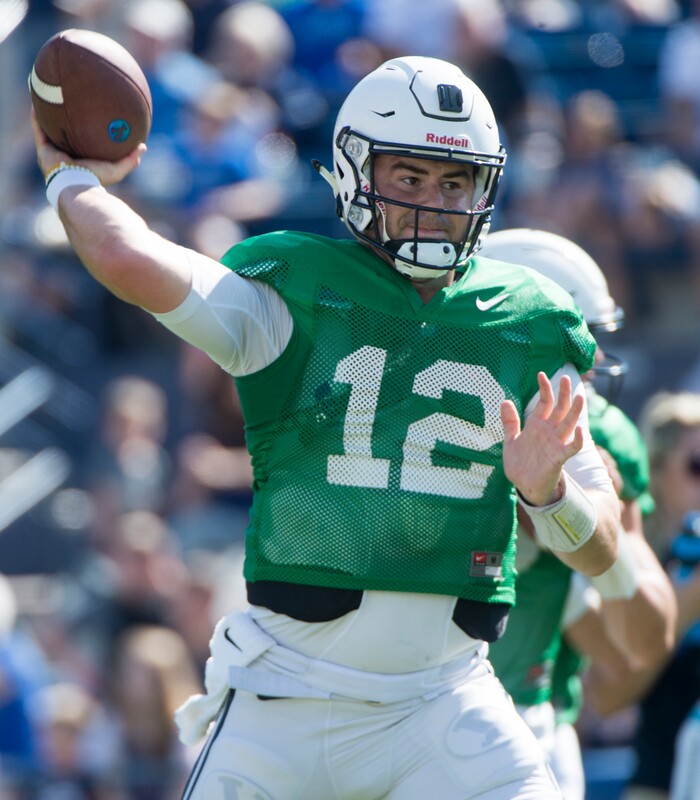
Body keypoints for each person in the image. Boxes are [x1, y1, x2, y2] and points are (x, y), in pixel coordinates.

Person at [31, 55, 621, 799]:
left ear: (487, 188)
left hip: (443, 701)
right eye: (409, 178)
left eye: (454, 183)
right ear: (354, 171)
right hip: (286, 703)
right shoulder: (294, 293)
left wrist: (547, 494)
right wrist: (72, 180)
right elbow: (123, 252)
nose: (434, 206)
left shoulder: (529, 318)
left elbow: (602, 552)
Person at [479, 228, 677, 800]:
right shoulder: (417, 412)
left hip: (528, 717)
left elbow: (643, 641)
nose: (587, 370)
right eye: (567, 345)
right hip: (392, 698)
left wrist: (587, 532)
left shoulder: (605, 435)